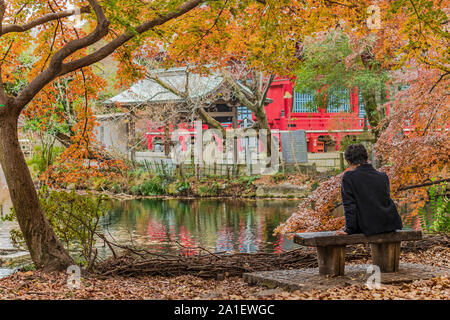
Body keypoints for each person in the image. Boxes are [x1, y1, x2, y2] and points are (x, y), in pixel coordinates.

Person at [335, 144, 402, 236]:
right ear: (366, 158)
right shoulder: (382, 176)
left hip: (369, 226)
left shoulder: (349, 177)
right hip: (390, 224)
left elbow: (350, 206)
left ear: (348, 161)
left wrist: (349, 229)